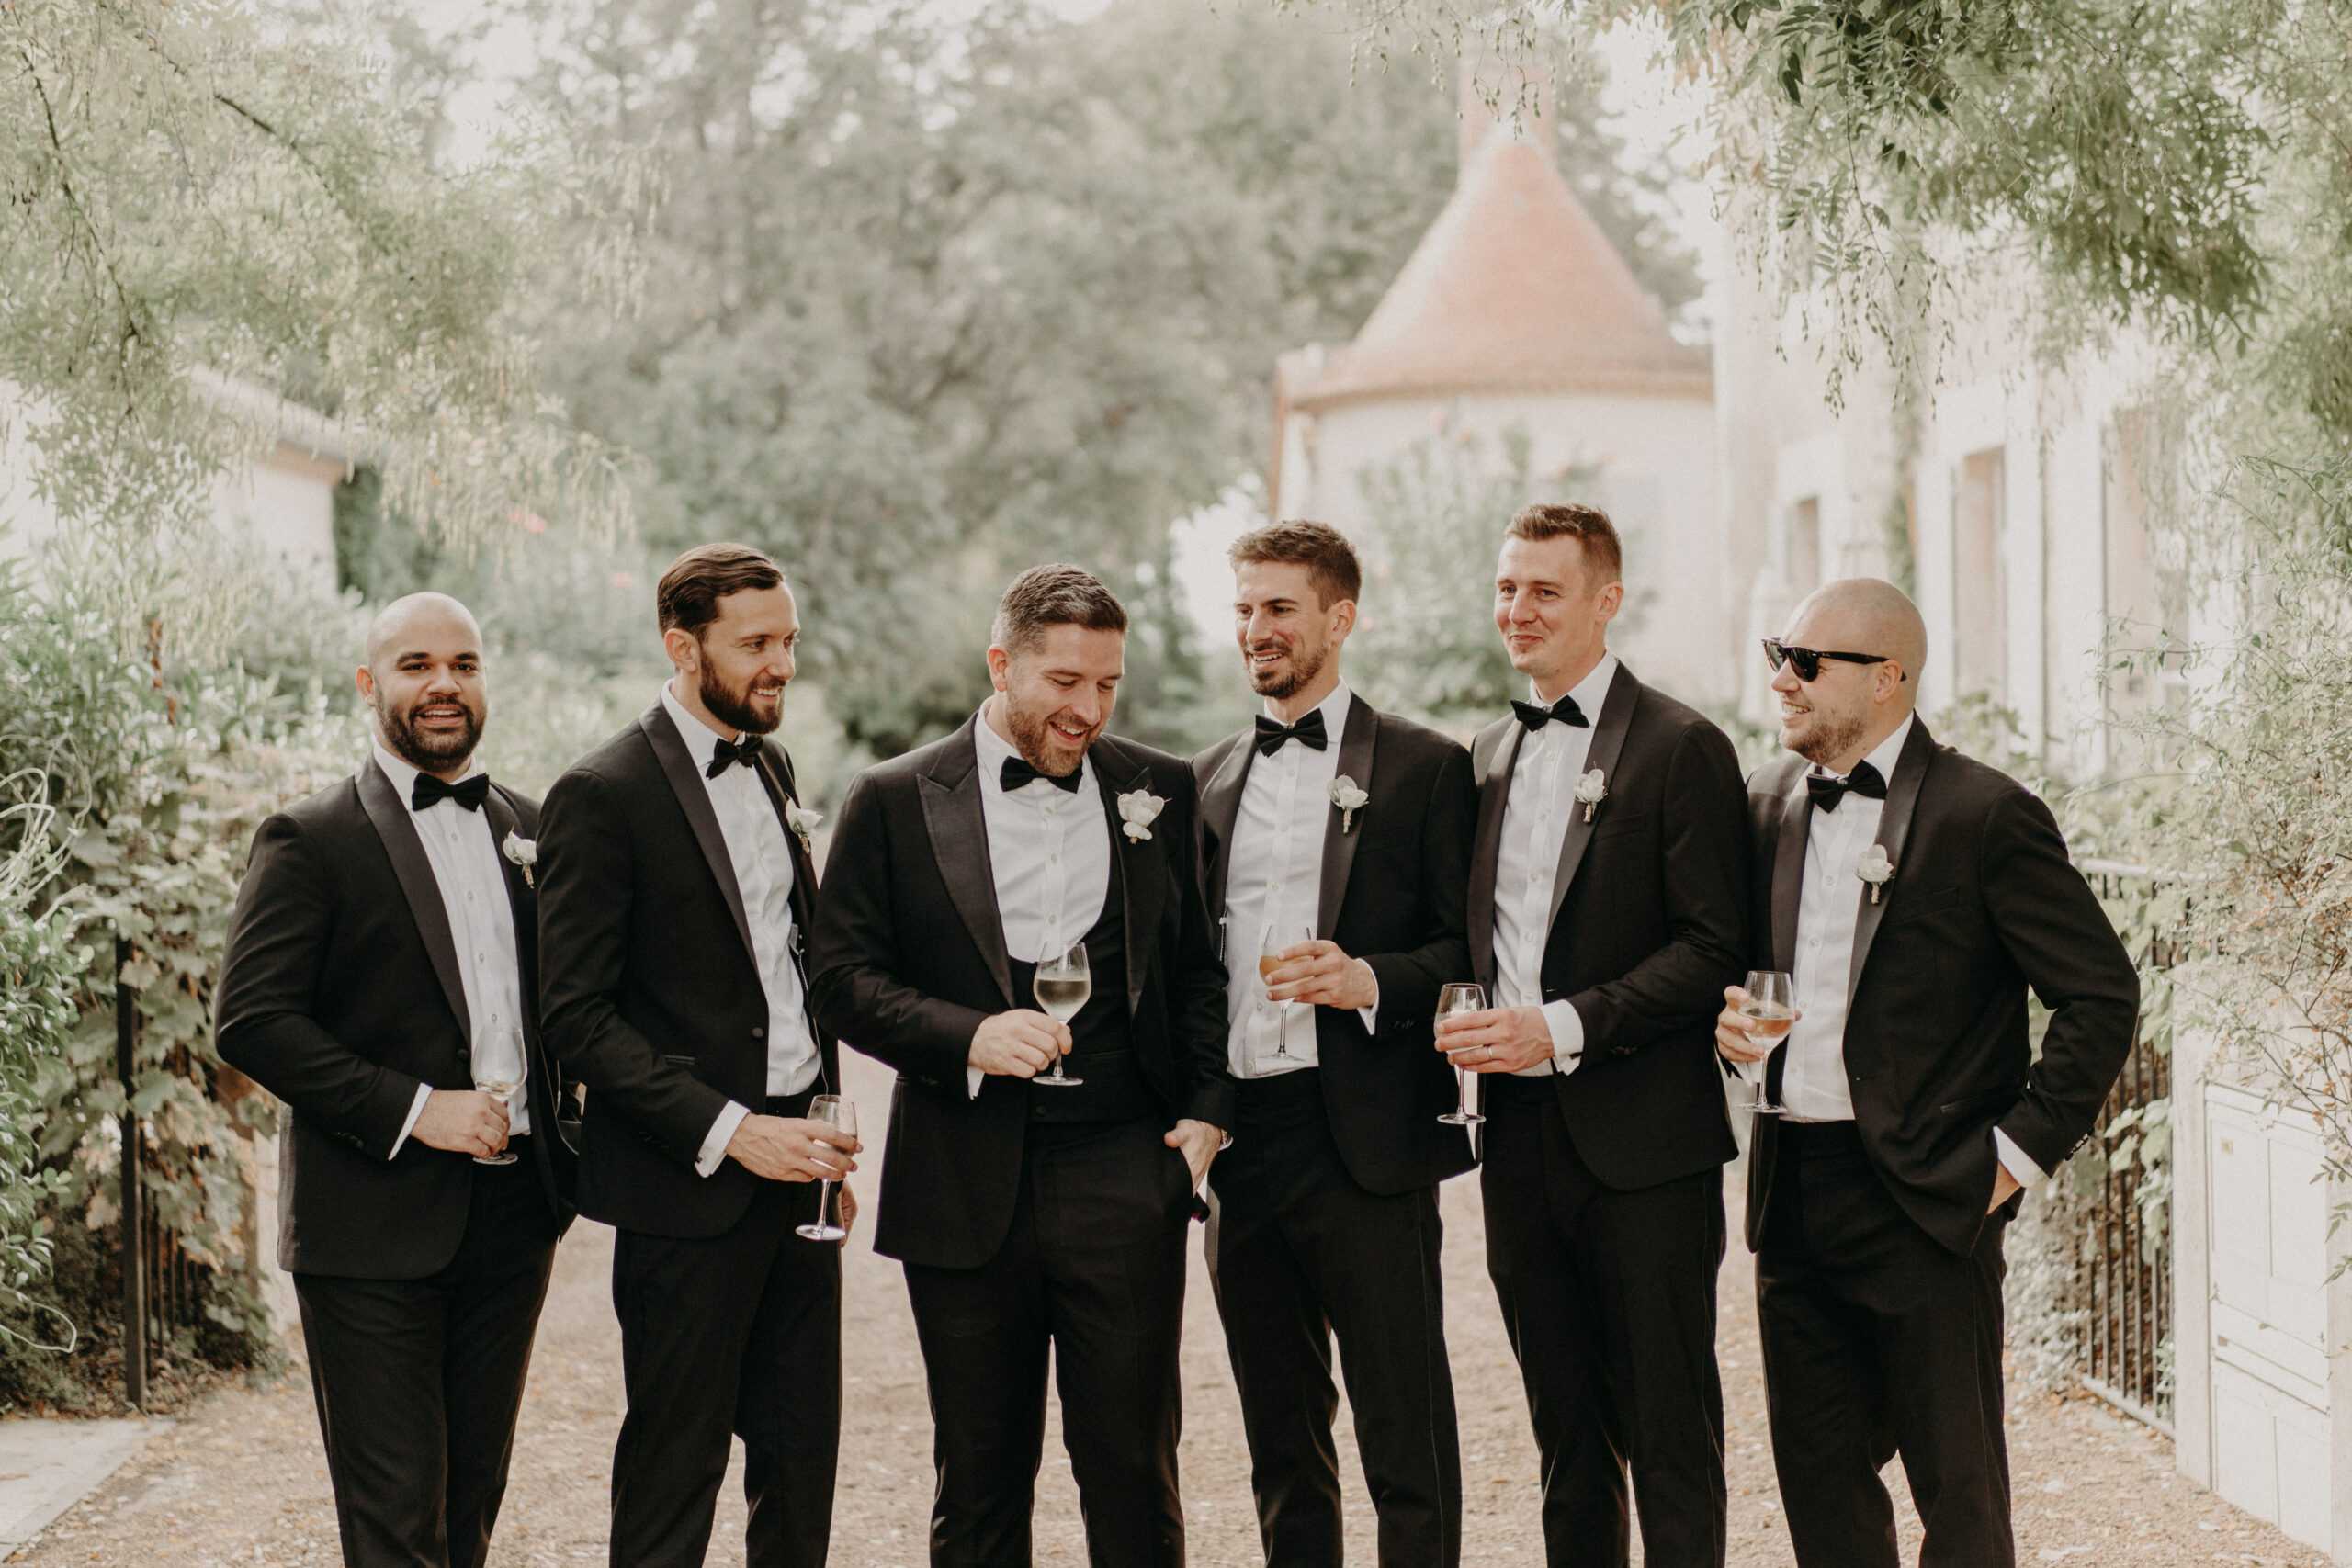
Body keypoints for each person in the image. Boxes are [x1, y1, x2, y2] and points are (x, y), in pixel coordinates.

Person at [809, 564, 1230, 1568]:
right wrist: (967, 1036)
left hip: (1124, 1173)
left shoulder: (1158, 790)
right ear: (1000, 664)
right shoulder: (892, 799)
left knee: (1133, 1474)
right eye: (1063, 682)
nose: (1087, 709)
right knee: (980, 1479)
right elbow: (841, 979)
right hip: (960, 1178)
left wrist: (1207, 1118)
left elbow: (1198, 969)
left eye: (1106, 686)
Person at [1716, 577, 2139, 1568]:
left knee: (1957, 1495)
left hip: (1929, 1198)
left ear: (1887, 678)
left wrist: (2011, 1159)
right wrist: (1728, 1030)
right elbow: (1738, 975)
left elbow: (2101, 996)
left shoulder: (1984, 814)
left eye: (1806, 661)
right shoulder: (1766, 801)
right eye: (1777, 652)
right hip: (1790, 1195)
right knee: (1820, 1487)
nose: (1781, 678)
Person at [217, 592, 575, 1568]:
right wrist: (419, 1112)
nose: (444, 684)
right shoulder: (311, 837)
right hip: (369, 1224)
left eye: (463, 662)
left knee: (470, 1507)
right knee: (395, 1518)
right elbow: (251, 1022)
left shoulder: (534, 828)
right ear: (372, 685)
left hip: (512, 1219)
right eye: (417, 665)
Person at [1438, 502, 1747, 1567]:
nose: (1515, 610)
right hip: (1515, 1144)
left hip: (1645, 1147)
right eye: (1505, 587)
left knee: (1668, 1429)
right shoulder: (1480, 757)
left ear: (1605, 602)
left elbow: (1713, 949)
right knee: (1562, 1435)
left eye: (1543, 590)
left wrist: (1560, 1027)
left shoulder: (1681, 747)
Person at [537, 544, 857, 1568]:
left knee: (802, 1464)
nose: (781, 664)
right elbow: (574, 1018)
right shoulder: (600, 792)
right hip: (688, 1187)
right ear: (682, 646)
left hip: (797, 1184)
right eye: (756, 643)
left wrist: (819, 1130)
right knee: (676, 1472)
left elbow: (789, 970)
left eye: (789, 641)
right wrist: (732, 1134)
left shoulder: (773, 766)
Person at [1190, 520, 1476, 1566]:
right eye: (1243, 609)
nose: (1254, 630)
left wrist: (1367, 981)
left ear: (1339, 618)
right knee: (1278, 1429)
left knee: (1405, 1423)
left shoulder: (1426, 768)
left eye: (1277, 608)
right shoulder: (1204, 778)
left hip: (1364, 1135)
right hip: (1244, 1142)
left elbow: (1465, 949)